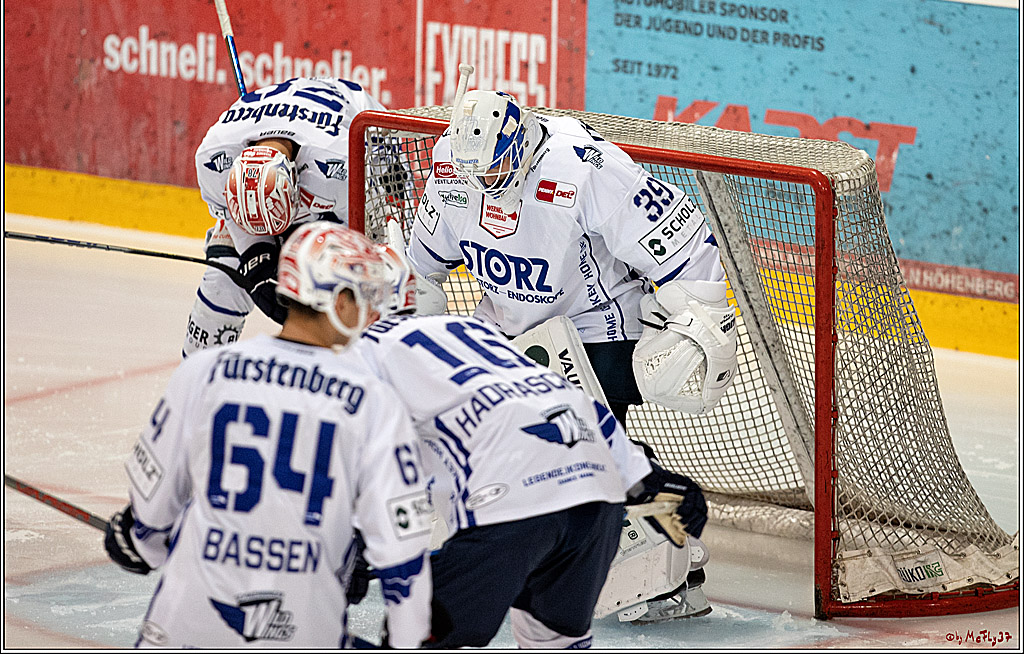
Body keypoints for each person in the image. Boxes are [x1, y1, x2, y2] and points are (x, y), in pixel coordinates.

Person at [400, 78, 739, 624]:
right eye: (474, 176)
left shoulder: (584, 167)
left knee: (583, 460)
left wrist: (695, 324)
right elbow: (421, 271)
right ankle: (600, 552)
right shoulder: (453, 171)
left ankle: (678, 561)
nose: (485, 187)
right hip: (505, 341)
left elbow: (683, 248)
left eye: (494, 172)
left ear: (520, 146)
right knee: (507, 454)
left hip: (595, 332)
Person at [351, 248, 708, 647]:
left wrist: (357, 543)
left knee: (412, 639)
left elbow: (368, 464)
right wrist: (647, 477)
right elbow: (562, 398)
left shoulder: (360, 355)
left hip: (512, 504)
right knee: (553, 640)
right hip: (595, 494)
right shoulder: (476, 334)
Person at [104, 222, 432, 648]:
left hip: (184, 626)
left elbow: (151, 511)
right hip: (302, 630)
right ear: (337, 299)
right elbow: (402, 556)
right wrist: (408, 639)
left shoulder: (206, 370)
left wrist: (140, 542)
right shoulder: (373, 401)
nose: (371, 311)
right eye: (363, 295)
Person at [183, 76, 409, 358]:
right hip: (290, 139)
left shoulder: (341, 163)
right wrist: (257, 259)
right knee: (223, 277)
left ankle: (368, 366)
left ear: (294, 178)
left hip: (352, 139)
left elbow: (389, 203)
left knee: (362, 283)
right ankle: (196, 370)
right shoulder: (212, 158)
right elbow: (234, 218)